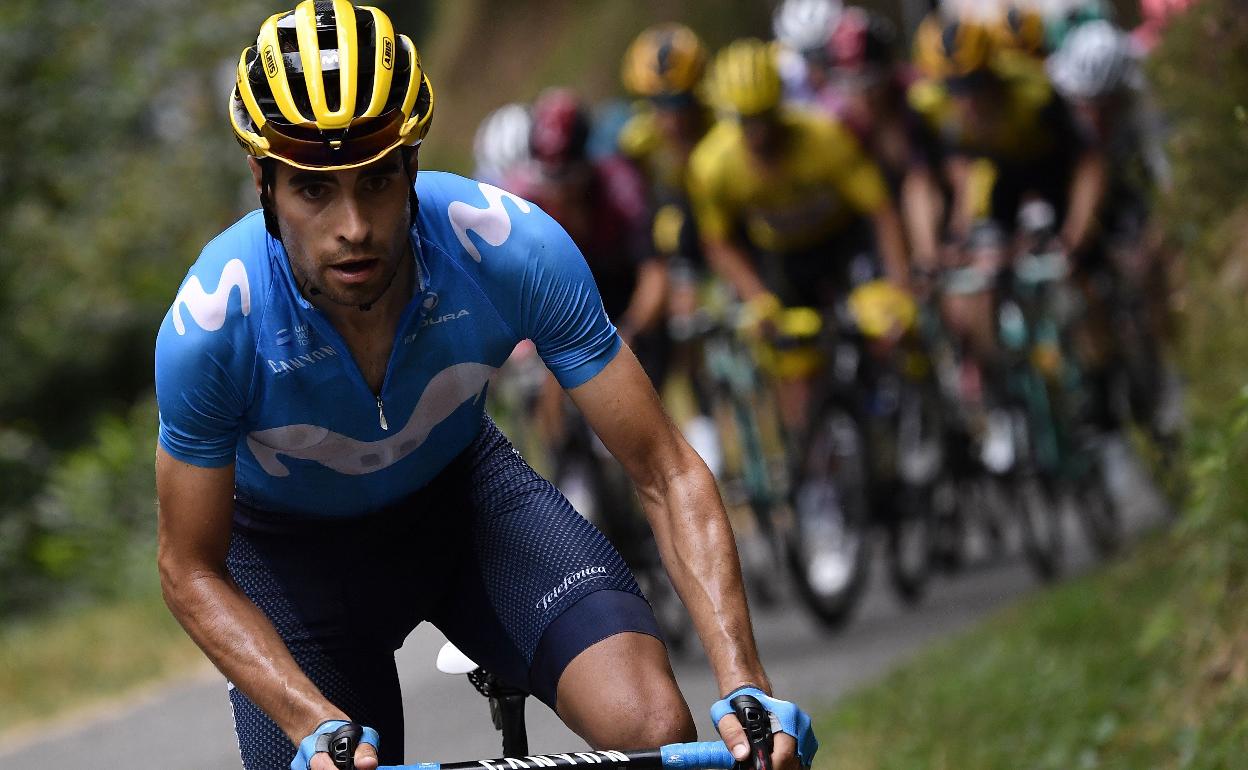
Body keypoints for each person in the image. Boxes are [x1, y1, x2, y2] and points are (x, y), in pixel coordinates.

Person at [153, 4, 818, 770]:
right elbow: (188, 566)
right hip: (294, 562)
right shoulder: (213, 325)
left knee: (652, 727)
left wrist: (745, 686)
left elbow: (665, 470)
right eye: (314, 191)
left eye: (376, 182)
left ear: (412, 164)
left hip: (466, 504)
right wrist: (309, 719)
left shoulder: (504, 245)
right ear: (262, 181)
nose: (354, 226)